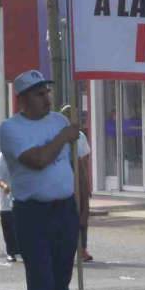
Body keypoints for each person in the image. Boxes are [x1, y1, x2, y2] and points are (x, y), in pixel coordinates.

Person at [0, 70, 80, 290]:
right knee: (41, 279)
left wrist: (81, 209)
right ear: (23, 100)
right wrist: (64, 136)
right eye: (39, 94)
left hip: (64, 210)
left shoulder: (59, 120)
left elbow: (74, 162)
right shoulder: (10, 129)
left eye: (47, 92)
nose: (47, 98)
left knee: (61, 282)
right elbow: (38, 160)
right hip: (32, 213)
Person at [61, 105, 94, 262]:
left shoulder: (80, 136)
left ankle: (82, 248)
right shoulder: (60, 137)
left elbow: (84, 162)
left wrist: (86, 185)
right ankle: (70, 248)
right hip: (66, 179)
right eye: (67, 116)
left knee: (82, 214)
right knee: (69, 215)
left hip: (78, 178)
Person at [0, 152, 19, 262]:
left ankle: (22, 250)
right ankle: (11, 252)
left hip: (22, 194)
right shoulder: (4, 155)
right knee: (8, 223)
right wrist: (4, 186)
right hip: (6, 194)